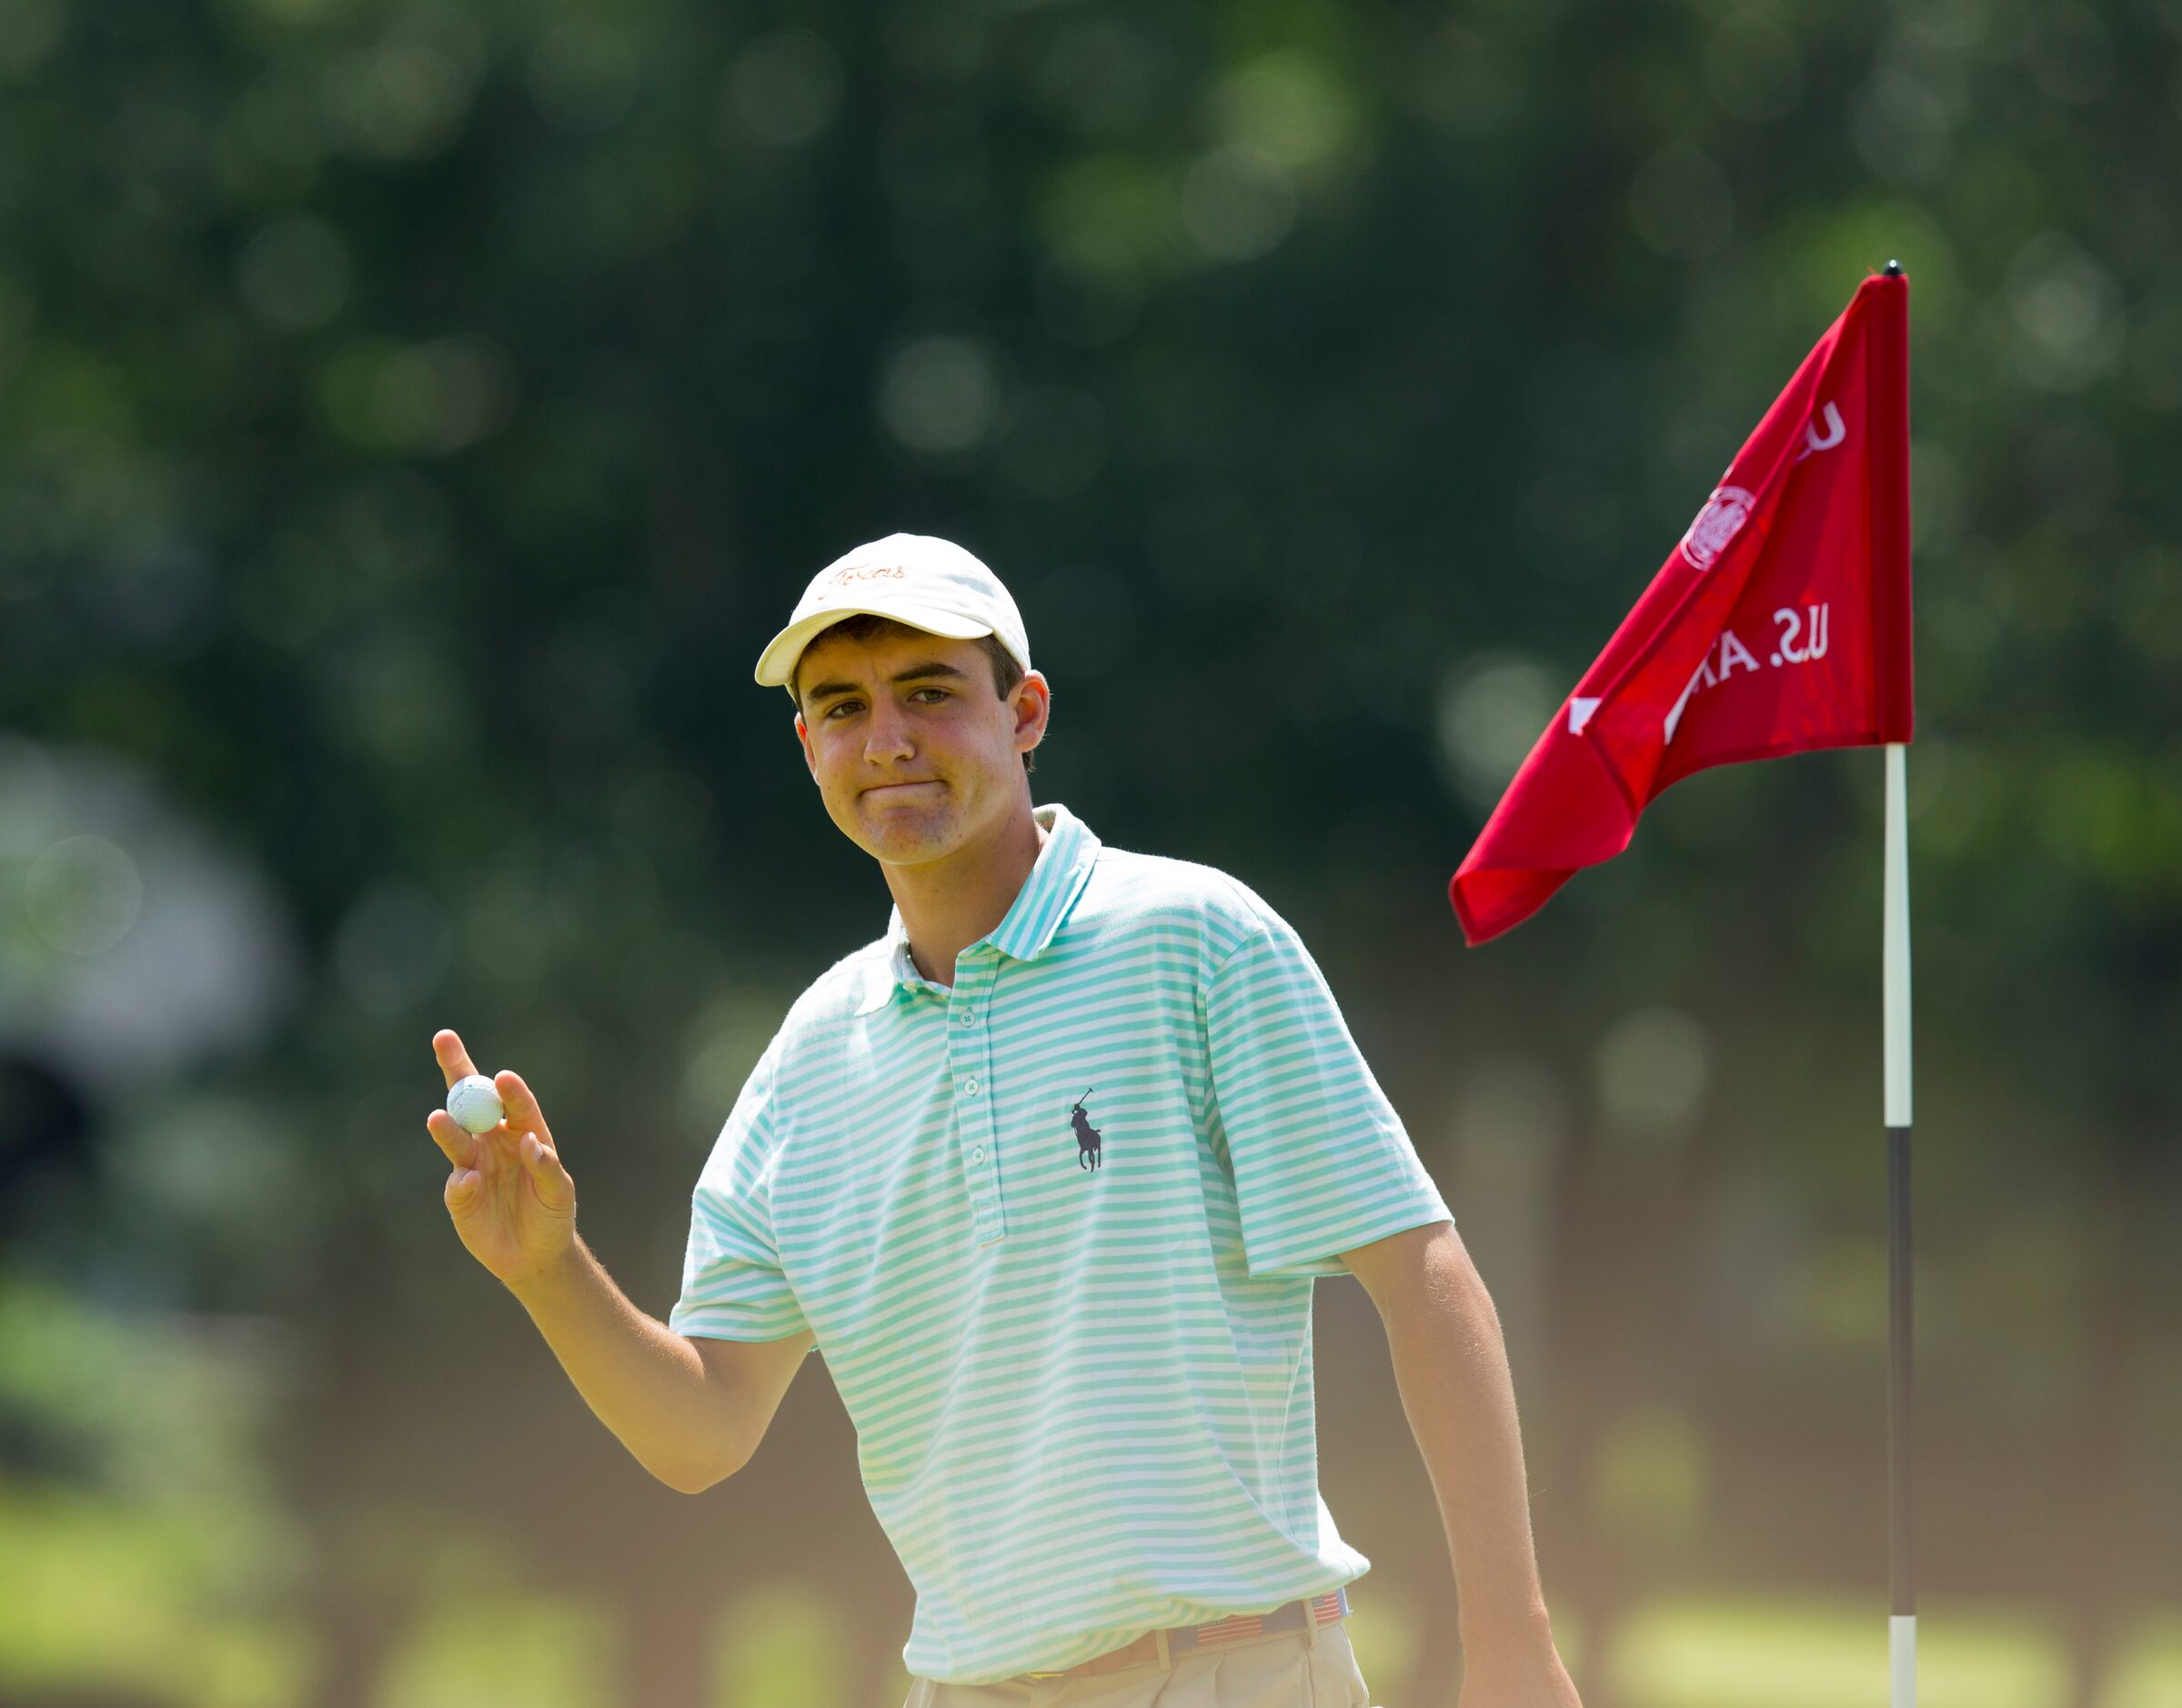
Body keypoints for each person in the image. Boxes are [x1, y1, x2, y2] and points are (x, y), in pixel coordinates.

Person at [425, 534, 1583, 1707]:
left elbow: (1421, 1274)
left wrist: (1510, 1643)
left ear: (1025, 713)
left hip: (1231, 1673)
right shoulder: (808, 1063)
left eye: (930, 694)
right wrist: (548, 1271)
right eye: (843, 707)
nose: (886, 741)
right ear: (807, 745)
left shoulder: (1192, 939)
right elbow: (703, 1432)